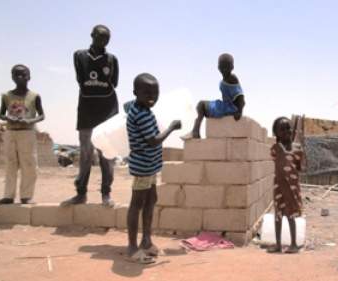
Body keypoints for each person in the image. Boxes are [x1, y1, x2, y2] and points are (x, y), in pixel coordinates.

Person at [125, 73, 181, 263]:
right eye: (147, 92)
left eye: (155, 93)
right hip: (142, 167)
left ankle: (146, 241)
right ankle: (132, 247)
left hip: (149, 166)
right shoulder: (140, 114)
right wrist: (172, 127)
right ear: (135, 92)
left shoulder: (139, 108)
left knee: (151, 200)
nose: (152, 97)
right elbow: (153, 140)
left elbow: (127, 106)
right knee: (137, 205)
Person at [61, 25, 119, 207]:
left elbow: (114, 83)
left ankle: (106, 194)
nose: (104, 40)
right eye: (100, 36)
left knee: (107, 154)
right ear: (92, 35)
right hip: (87, 110)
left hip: (108, 111)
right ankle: (81, 193)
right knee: (86, 153)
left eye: (107, 38)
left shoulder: (112, 59)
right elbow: (81, 79)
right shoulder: (79, 55)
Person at [0, 64, 45, 205]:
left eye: (23, 74)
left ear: (29, 77)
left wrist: (29, 120)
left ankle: (26, 196)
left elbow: (41, 116)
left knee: (28, 165)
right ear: (12, 77)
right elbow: (2, 115)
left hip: (27, 133)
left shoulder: (34, 96)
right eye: (16, 74)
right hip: (11, 133)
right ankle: (8, 196)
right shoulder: (6, 96)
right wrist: (8, 118)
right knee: (10, 164)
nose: (20, 77)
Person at [183, 53, 245, 139]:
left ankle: (195, 132)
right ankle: (195, 131)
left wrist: (239, 112)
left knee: (201, 105)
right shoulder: (226, 79)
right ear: (218, 67)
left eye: (226, 67)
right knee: (201, 105)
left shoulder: (232, 78)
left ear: (232, 67)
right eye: (222, 66)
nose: (224, 69)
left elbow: (241, 97)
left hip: (230, 108)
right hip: (226, 106)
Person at [267, 117, 303, 254]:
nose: (286, 131)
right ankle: (278, 244)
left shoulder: (298, 149)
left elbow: (299, 167)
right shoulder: (275, 149)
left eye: (288, 128)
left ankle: (293, 244)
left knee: (291, 214)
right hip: (278, 186)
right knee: (278, 215)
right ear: (276, 133)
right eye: (282, 129)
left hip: (292, 188)